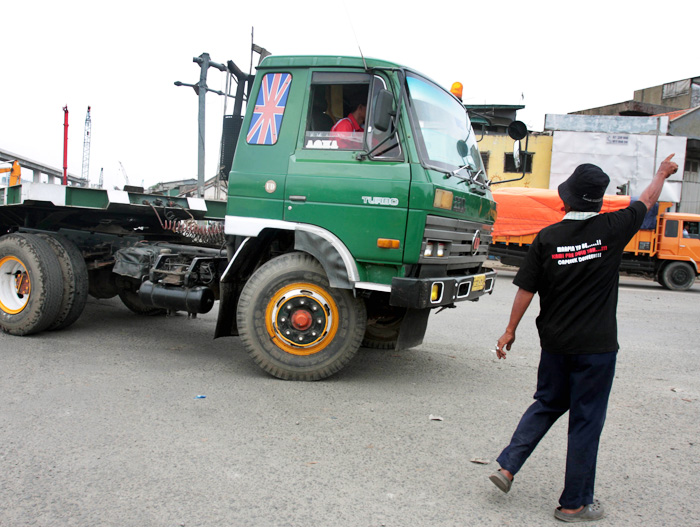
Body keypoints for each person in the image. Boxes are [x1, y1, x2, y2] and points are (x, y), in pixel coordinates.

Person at [488, 154, 679, 522]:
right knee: (586, 421)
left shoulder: (547, 237)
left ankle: (508, 466)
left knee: (546, 403)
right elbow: (647, 200)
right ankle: (574, 503)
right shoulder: (614, 227)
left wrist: (510, 330)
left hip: (556, 345)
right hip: (597, 349)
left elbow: (526, 289)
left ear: (567, 199)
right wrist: (661, 173)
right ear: (598, 200)